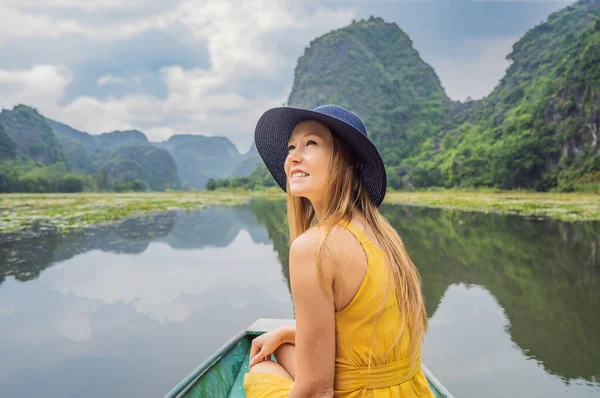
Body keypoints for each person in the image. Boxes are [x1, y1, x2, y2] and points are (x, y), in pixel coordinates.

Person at [243, 104, 434, 398]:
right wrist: (285, 333)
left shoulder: (313, 247)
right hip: (408, 390)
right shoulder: (384, 234)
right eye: (291, 146)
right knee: (280, 347)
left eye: (311, 143)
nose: (293, 156)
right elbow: (362, 331)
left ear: (347, 161)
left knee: (260, 371)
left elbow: (317, 391)